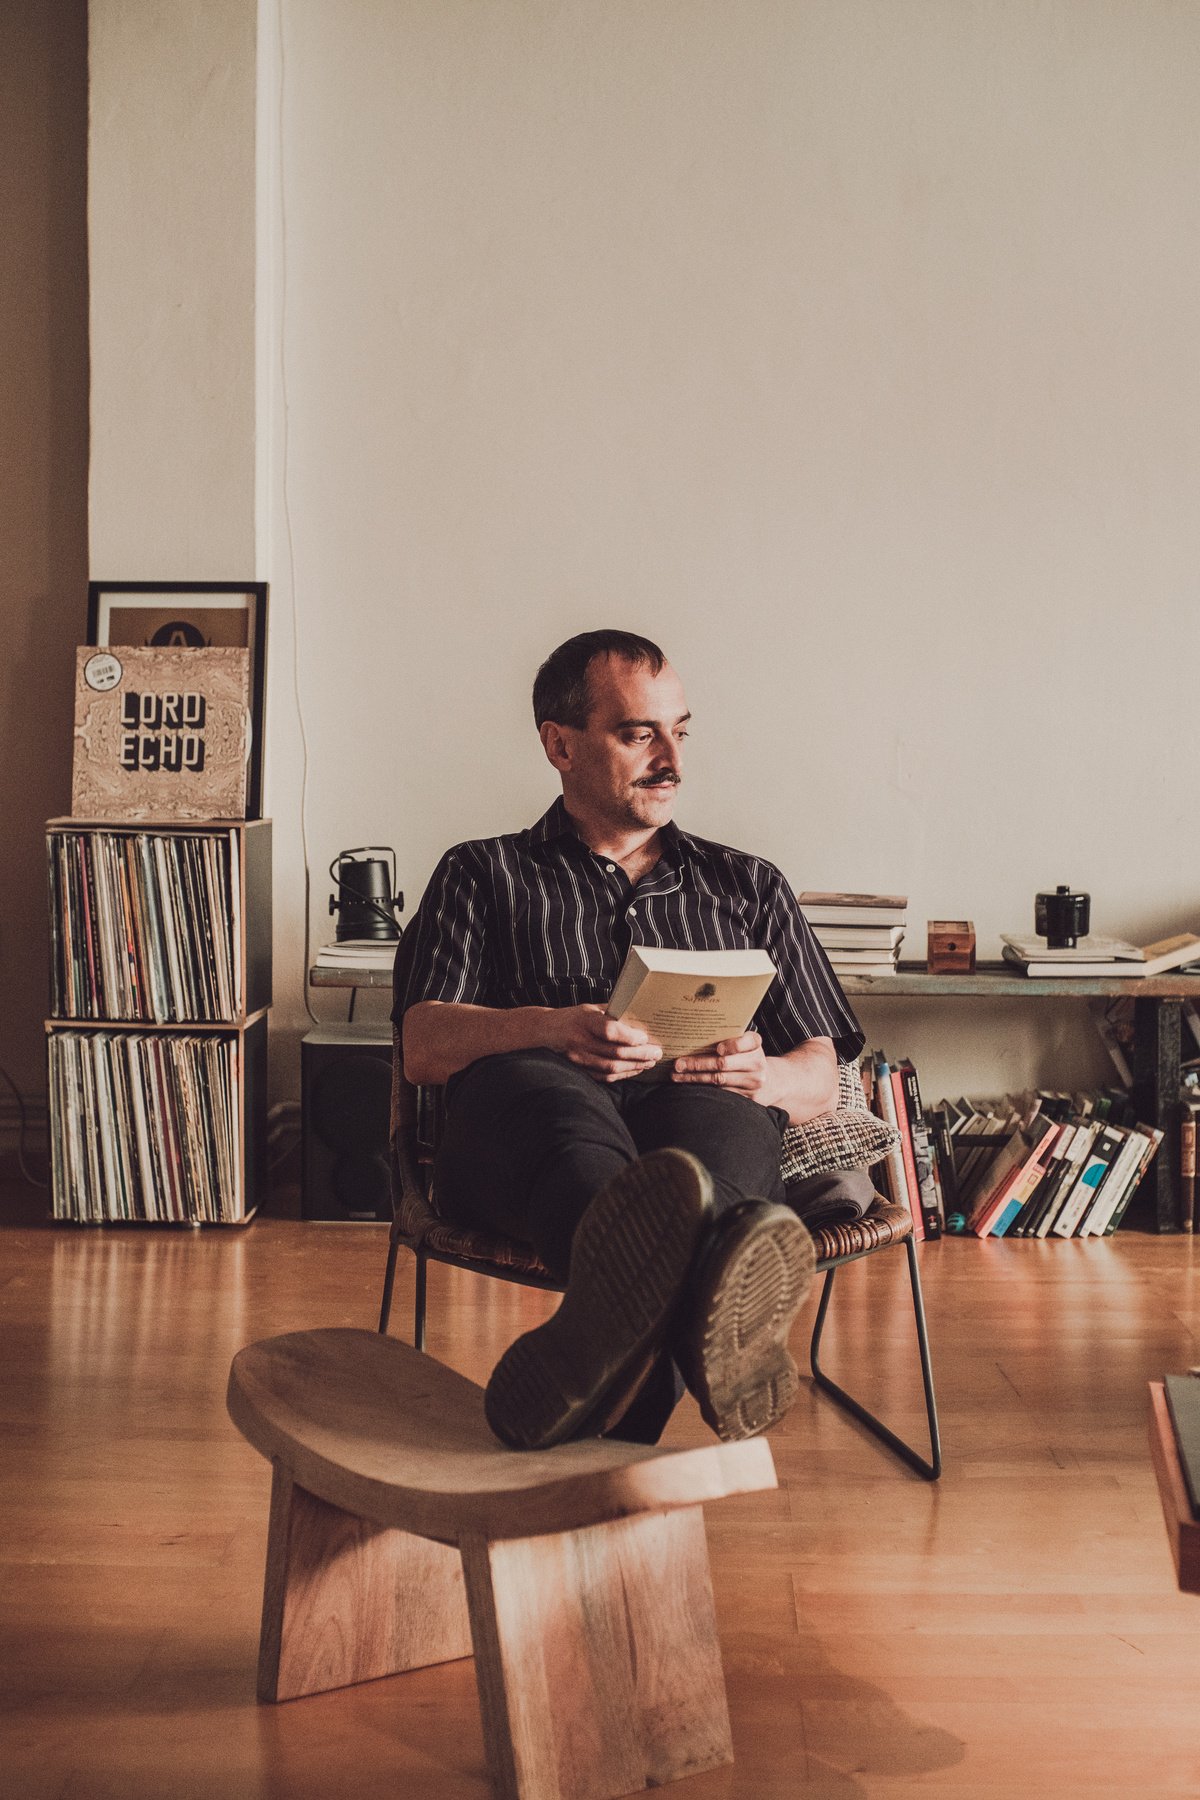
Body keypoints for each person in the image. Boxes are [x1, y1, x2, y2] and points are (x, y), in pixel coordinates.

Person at [392, 629, 865, 1451]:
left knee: (714, 1142)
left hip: (696, 1110)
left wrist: (765, 1075)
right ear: (559, 744)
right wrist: (546, 1026)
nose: (670, 758)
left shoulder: (748, 885)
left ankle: (599, 1381)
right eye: (638, 732)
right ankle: (705, 1315)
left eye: (680, 731)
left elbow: (821, 1076)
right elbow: (423, 1044)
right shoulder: (482, 872)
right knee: (557, 1107)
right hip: (536, 1130)